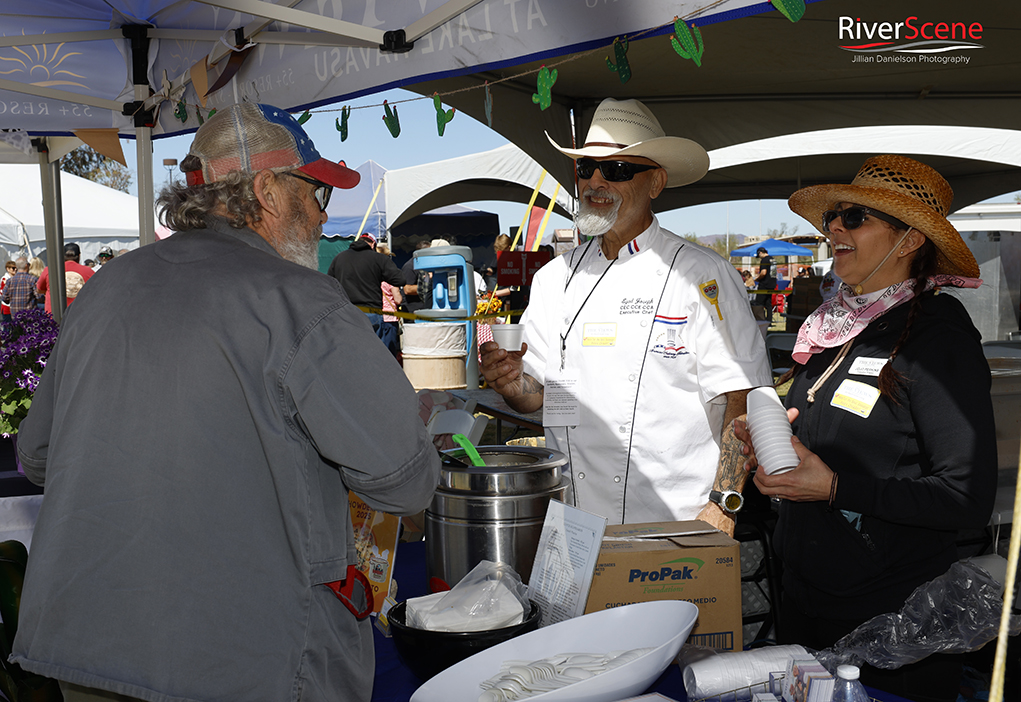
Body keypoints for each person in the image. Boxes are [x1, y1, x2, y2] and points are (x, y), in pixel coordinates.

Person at [11, 102, 440, 702]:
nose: (323, 214)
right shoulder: (302, 301)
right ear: (266, 189)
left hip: (87, 651)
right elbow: (405, 482)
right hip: (248, 662)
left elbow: (37, 457)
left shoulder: (109, 287)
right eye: (315, 192)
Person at [735, 155, 996, 702]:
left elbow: (966, 498)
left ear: (908, 242)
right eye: (834, 215)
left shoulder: (936, 334)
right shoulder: (839, 325)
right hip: (807, 598)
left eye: (855, 218)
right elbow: (828, 442)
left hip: (892, 621)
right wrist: (767, 442)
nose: (834, 227)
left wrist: (833, 487)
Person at [480, 98, 771, 532]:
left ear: (655, 182)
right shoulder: (553, 277)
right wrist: (509, 383)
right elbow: (539, 395)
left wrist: (722, 505)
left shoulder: (700, 274)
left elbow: (742, 397)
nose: (596, 181)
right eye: (586, 169)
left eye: (616, 170)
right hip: (572, 519)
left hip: (673, 521)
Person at [327, 232, 406, 340]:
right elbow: (400, 279)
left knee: (350, 350)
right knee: (373, 351)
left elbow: (329, 284)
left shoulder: (339, 258)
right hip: (371, 311)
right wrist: (379, 274)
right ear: (373, 244)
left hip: (347, 311)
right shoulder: (378, 258)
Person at [36, 242, 94, 313]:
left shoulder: (49, 270)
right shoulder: (89, 271)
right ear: (79, 256)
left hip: (54, 314)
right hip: (80, 314)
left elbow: (39, 289)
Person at [377, 242, 403, 360]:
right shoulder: (390, 277)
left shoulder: (374, 274)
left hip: (377, 315)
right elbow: (398, 299)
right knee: (390, 351)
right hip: (390, 317)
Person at [401, 239, 432, 320]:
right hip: (412, 311)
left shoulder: (427, 266)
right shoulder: (410, 266)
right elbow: (407, 289)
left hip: (425, 309)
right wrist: (428, 287)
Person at [752, 246, 776, 320]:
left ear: (760, 253)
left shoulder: (764, 260)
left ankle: (760, 319)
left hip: (764, 284)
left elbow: (763, 273)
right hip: (772, 284)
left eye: (759, 255)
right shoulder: (773, 259)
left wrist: (757, 279)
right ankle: (769, 320)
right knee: (768, 303)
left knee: (759, 303)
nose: (759, 257)